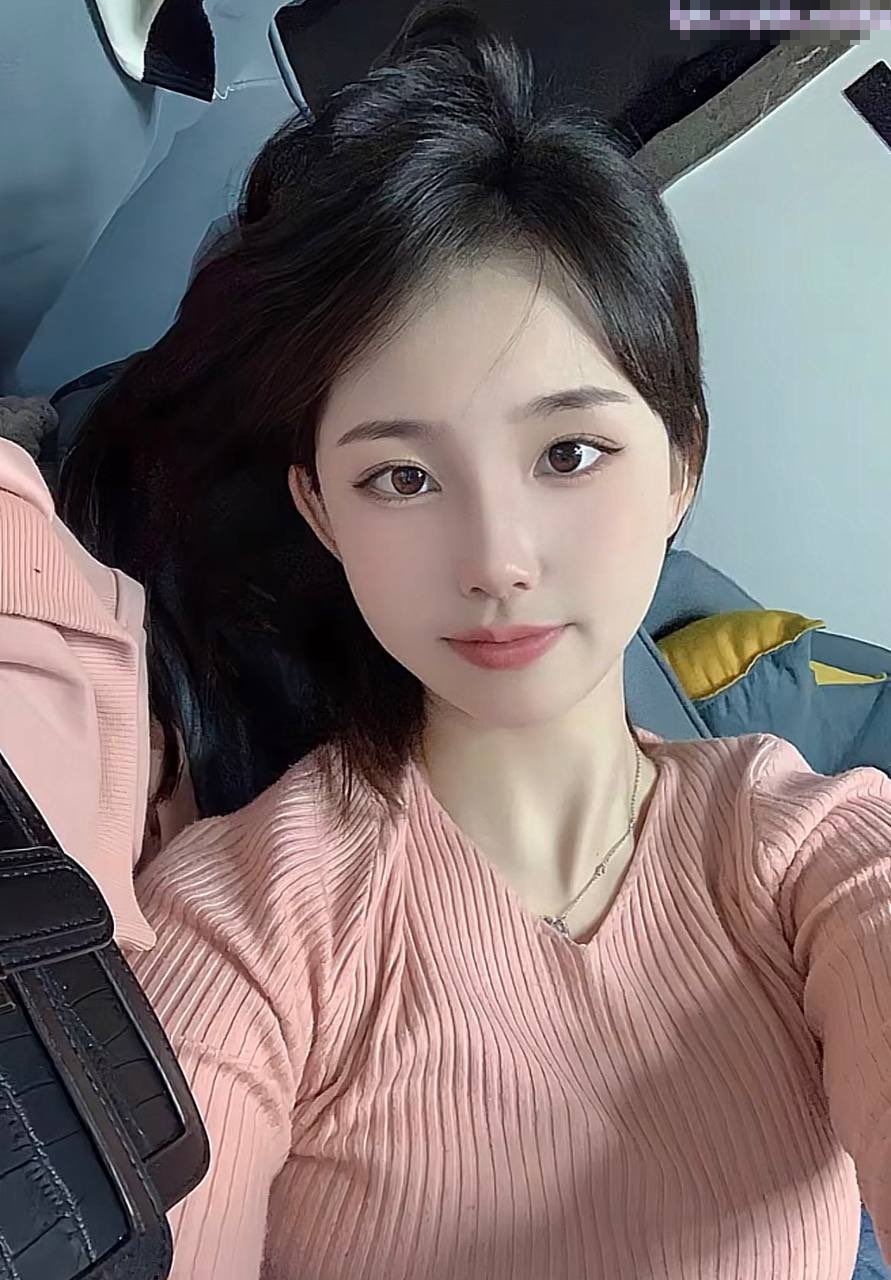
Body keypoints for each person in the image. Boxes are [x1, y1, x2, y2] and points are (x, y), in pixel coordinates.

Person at [2, 4, 890, 1277]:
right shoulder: (257, 922)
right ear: (322, 510)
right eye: (403, 478)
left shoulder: (816, 851)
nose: (496, 558)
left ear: (681, 463)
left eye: (568, 453)